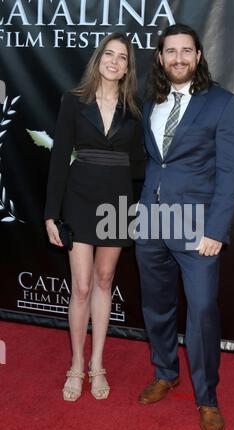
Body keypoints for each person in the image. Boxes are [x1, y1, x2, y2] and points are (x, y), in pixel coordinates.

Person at [135, 24, 234, 430]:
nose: (178, 58)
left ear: (198, 56)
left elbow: (231, 172)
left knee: (200, 311)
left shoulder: (223, 103)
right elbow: (155, 163)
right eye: (170, 51)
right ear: (160, 58)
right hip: (151, 221)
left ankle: (207, 398)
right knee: (156, 306)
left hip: (199, 229)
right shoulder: (152, 102)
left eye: (186, 51)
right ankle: (165, 372)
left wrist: (216, 229)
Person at [45, 33, 144, 402]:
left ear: (127, 67)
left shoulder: (134, 109)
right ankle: (76, 363)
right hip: (79, 199)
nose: (115, 61)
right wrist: (51, 214)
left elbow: (139, 164)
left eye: (122, 57)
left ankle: (97, 364)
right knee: (82, 286)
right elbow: (58, 160)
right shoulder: (73, 102)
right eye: (109, 54)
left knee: (105, 281)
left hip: (117, 202)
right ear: (98, 58)